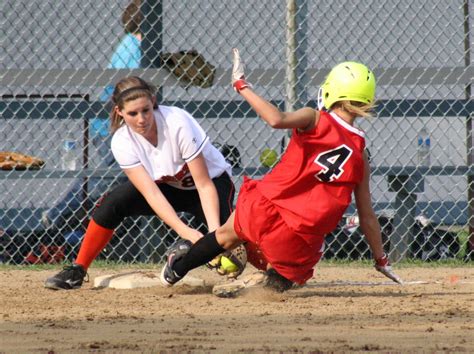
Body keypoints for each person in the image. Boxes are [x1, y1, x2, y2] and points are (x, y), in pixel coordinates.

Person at [160, 49, 402, 294]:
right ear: (367, 101)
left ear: (332, 90)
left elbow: (276, 119)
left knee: (223, 236)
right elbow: (367, 215)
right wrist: (381, 259)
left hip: (266, 205)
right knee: (290, 277)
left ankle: (176, 270)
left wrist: (241, 85)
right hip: (300, 233)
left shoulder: (315, 118)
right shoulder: (360, 154)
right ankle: (254, 289)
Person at [44, 76, 235, 290]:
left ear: (153, 101)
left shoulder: (177, 122)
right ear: (119, 112)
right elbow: (151, 194)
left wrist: (214, 236)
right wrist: (184, 230)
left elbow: (204, 185)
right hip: (169, 188)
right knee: (115, 201)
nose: (141, 119)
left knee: (236, 236)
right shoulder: (122, 141)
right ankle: (78, 269)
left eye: (145, 110)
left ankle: (271, 274)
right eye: (132, 113)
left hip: (212, 185)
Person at [41, 0, 143, 238]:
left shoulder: (133, 46)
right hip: (112, 125)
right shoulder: (133, 49)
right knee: (109, 175)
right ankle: (58, 215)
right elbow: (133, 88)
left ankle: (69, 219)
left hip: (116, 124)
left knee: (117, 176)